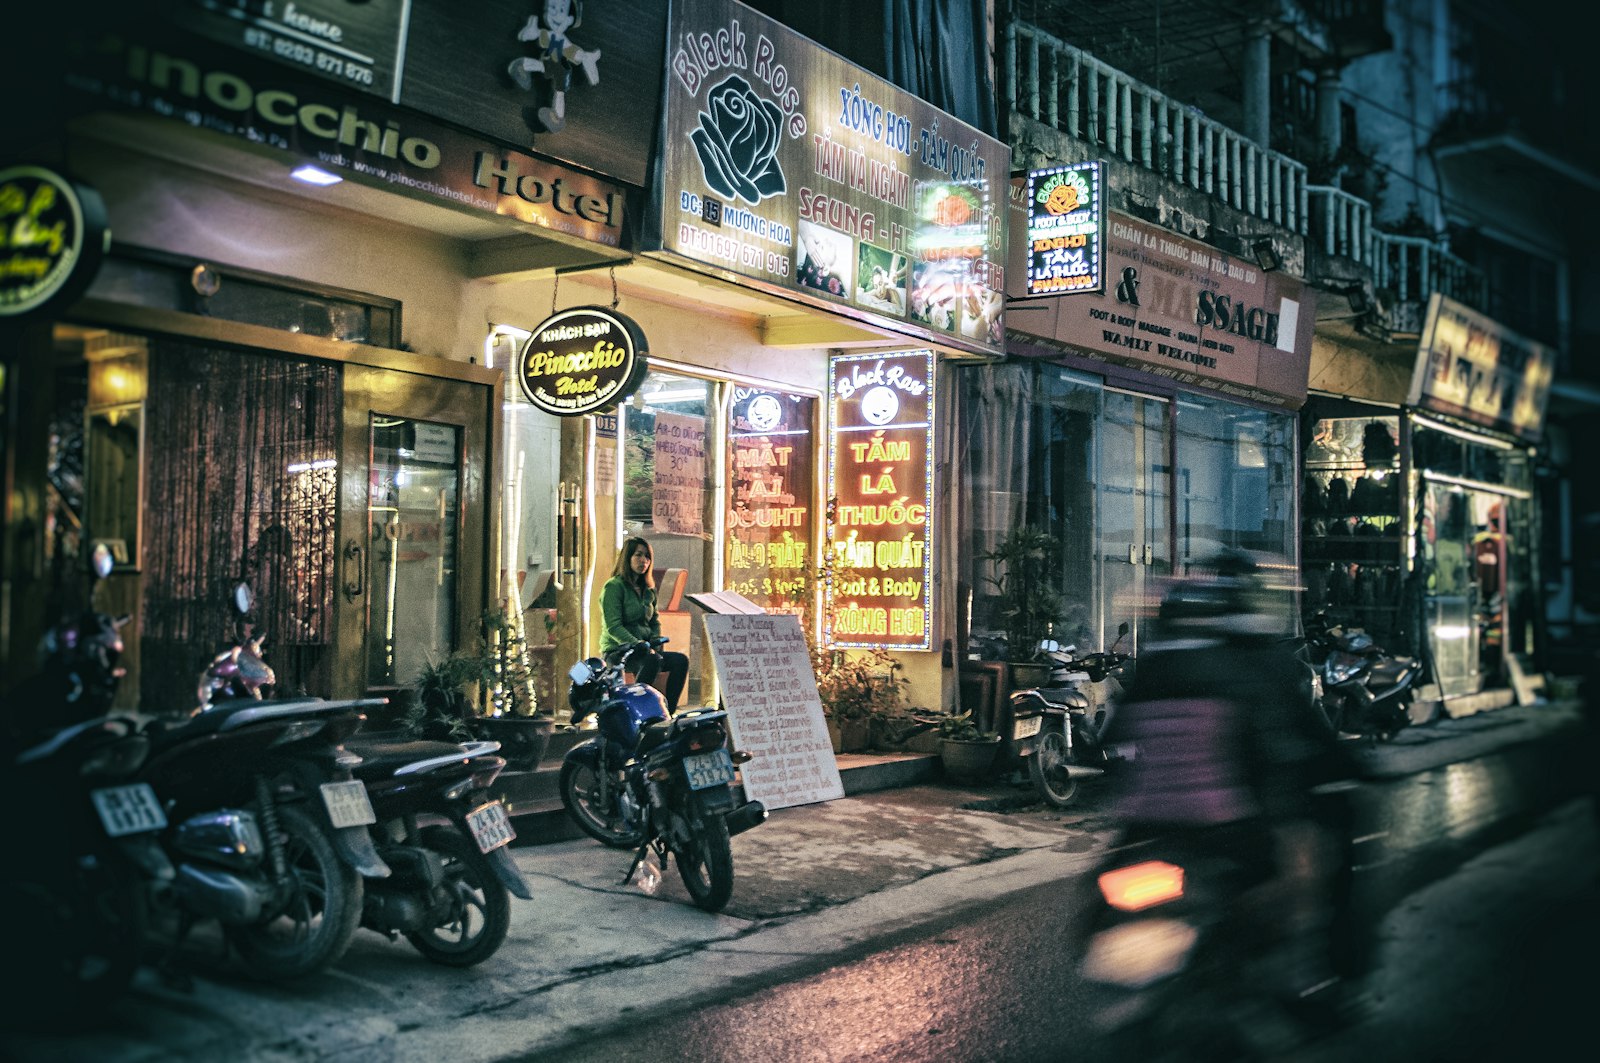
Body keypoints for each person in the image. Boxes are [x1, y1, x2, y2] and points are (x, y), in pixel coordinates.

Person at [1100, 549, 1365, 1028]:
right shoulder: (1251, 667)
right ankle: (1299, 983)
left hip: (1141, 830)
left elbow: (1111, 750)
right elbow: (1280, 748)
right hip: (1225, 825)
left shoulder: (1151, 674)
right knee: (1292, 886)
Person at [600, 537, 689, 712]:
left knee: (680, 661)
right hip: (619, 650)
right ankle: (639, 708)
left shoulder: (648, 589)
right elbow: (613, 627)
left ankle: (667, 712)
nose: (644, 561)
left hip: (646, 648)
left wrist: (656, 639)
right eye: (638, 555)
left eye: (647, 557)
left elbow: (654, 620)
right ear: (627, 558)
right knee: (651, 659)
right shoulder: (614, 587)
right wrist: (636, 644)